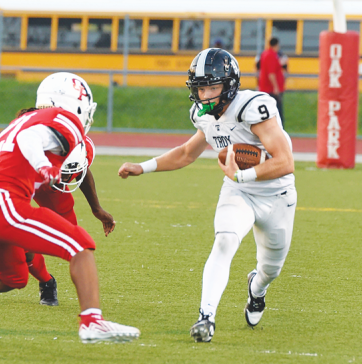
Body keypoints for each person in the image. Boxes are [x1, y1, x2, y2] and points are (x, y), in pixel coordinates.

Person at [118, 48, 296, 343]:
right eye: (201, 88)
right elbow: (187, 152)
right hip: (239, 191)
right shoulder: (203, 116)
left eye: (212, 87)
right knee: (225, 240)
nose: (205, 95)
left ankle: (257, 289)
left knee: (270, 269)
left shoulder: (253, 107)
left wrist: (243, 173)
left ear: (230, 85)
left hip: (277, 194)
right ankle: (206, 317)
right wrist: (143, 167)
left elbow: (285, 162)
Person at [0, 72, 140, 343]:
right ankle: (92, 321)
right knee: (80, 245)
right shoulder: (64, 119)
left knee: (13, 277)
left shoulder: (22, 119)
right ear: (77, 103)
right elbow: (29, 140)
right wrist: (44, 166)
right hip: (2, 204)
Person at [0, 135, 116, 307]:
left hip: (47, 180)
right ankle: (47, 281)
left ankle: (89, 315)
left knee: (72, 236)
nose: (66, 179)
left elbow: (82, 170)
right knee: (23, 252)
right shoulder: (22, 157)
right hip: (14, 189)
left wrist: (96, 208)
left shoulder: (68, 149)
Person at [258, 37, 286, 124]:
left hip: (267, 88)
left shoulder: (265, 54)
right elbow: (271, 73)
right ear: (276, 45)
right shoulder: (271, 55)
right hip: (270, 89)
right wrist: (276, 87)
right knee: (277, 113)